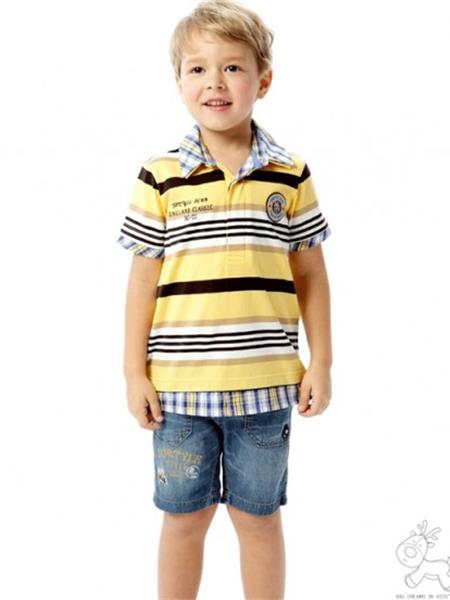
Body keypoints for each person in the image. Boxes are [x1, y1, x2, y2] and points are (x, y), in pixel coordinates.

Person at [116, 1, 333, 597]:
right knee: (183, 520)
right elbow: (142, 282)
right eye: (198, 69)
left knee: (258, 519)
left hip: (266, 388)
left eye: (232, 67)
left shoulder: (289, 174)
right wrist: (133, 372)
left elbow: (311, 275)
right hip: (179, 394)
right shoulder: (160, 176)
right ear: (179, 81)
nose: (215, 82)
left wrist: (322, 362)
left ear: (263, 80)